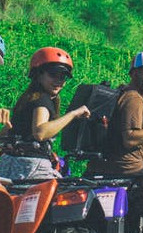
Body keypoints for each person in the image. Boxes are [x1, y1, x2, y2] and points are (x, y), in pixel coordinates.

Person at [0, 46, 90, 180]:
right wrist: (73, 114)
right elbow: (40, 132)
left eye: (63, 77)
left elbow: (7, 133)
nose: (59, 81)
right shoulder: (42, 99)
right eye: (53, 75)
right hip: (31, 168)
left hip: (7, 165)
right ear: (39, 74)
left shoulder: (27, 98)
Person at [87, 51, 143, 175]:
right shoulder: (133, 98)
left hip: (106, 164)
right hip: (129, 167)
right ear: (134, 73)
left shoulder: (122, 92)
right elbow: (130, 139)